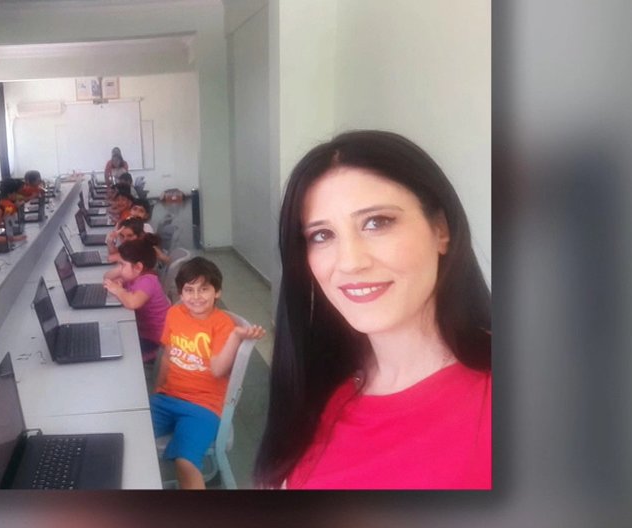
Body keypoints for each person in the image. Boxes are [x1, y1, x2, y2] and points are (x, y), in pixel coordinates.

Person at [253, 130, 492, 490]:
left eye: (377, 222)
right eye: (322, 235)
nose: (350, 262)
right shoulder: (321, 382)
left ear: (441, 230)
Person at [152, 257, 266, 489]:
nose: (196, 296)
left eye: (204, 289)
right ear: (180, 293)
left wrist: (235, 337)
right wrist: (158, 389)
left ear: (217, 292)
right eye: (189, 290)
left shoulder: (222, 324)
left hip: (203, 407)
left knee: (185, 463)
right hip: (167, 397)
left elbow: (217, 370)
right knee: (131, 431)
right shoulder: (174, 313)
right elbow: (167, 356)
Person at [102, 237, 171, 363]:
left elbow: (132, 303)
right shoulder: (134, 277)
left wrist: (118, 290)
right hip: (143, 331)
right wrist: (121, 270)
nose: (120, 268)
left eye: (122, 264)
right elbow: (107, 277)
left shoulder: (148, 281)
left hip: (156, 340)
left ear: (138, 267)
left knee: (112, 348)